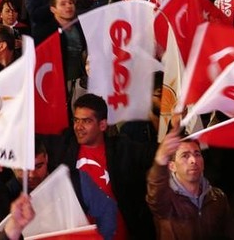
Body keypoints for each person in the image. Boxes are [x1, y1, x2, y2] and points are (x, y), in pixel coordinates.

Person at [46, 94, 155, 238]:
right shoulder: (64, 148)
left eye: (86, 121)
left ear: (102, 125)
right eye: (76, 120)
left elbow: (157, 152)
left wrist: (175, 128)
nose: (78, 127)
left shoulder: (122, 149)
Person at [146, 129, 234, 239]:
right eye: (185, 156)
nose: (193, 160)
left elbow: (229, 234)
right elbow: (155, 193)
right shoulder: (166, 201)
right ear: (172, 166)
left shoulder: (218, 197)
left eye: (197, 154)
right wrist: (160, 162)